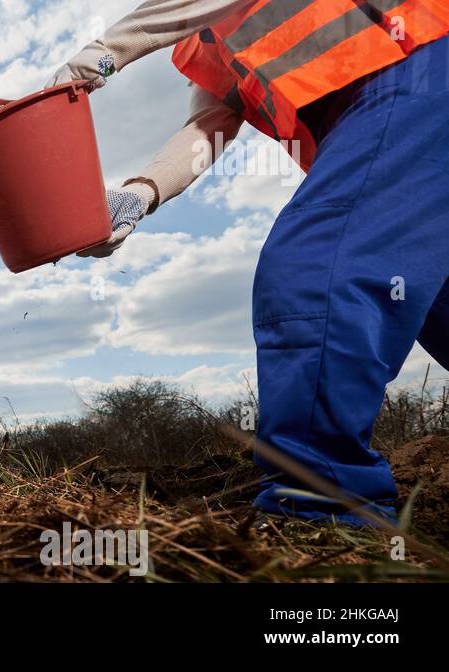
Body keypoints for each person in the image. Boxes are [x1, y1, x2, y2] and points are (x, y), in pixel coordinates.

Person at [48, 0, 449, 525]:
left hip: (413, 72)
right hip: (404, 121)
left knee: (316, 270)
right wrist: (138, 196)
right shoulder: (208, 46)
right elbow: (204, 130)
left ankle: (322, 506)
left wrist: (96, 60)